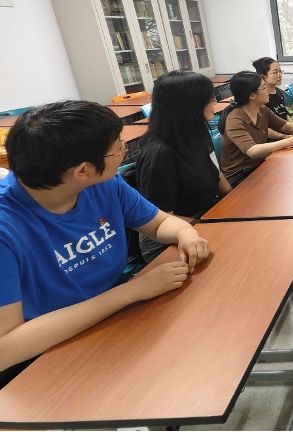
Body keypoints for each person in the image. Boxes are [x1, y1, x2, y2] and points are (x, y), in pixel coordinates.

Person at [0, 101, 209, 380]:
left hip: (115, 319)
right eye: (118, 148)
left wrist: (186, 233)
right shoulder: (7, 226)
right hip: (48, 356)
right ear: (82, 170)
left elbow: (159, 223)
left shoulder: (102, 183)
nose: (125, 152)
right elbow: (6, 348)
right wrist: (131, 291)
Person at [135, 71, 232, 263]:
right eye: (210, 99)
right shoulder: (159, 154)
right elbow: (163, 218)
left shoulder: (197, 134)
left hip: (205, 218)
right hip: (170, 239)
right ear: (189, 106)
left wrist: (236, 202)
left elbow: (217, 174)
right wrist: (212, 224)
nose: (215, 103)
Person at [219, 71, 293, 186]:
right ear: (252, 95)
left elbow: (285, 125)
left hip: (260, 164)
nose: (268, 90)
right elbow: (252, 151)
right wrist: (290, 141)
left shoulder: (262, 109)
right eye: (264, 87)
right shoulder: (234, 119)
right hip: (240, 174)